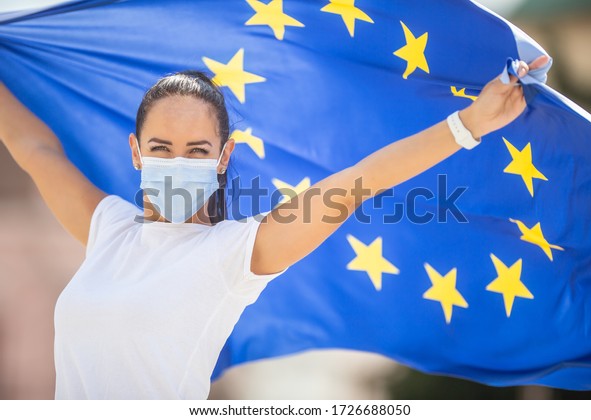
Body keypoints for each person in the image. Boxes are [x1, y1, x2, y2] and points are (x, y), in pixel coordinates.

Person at [0, 54, 549, 399]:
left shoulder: (233, 253)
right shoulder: (108, 230)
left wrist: (470, 124)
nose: (177, 162)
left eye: (196, 150)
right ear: (136, 152)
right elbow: (34, 147)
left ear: (222, 157)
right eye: (161, 148)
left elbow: (361, 180)